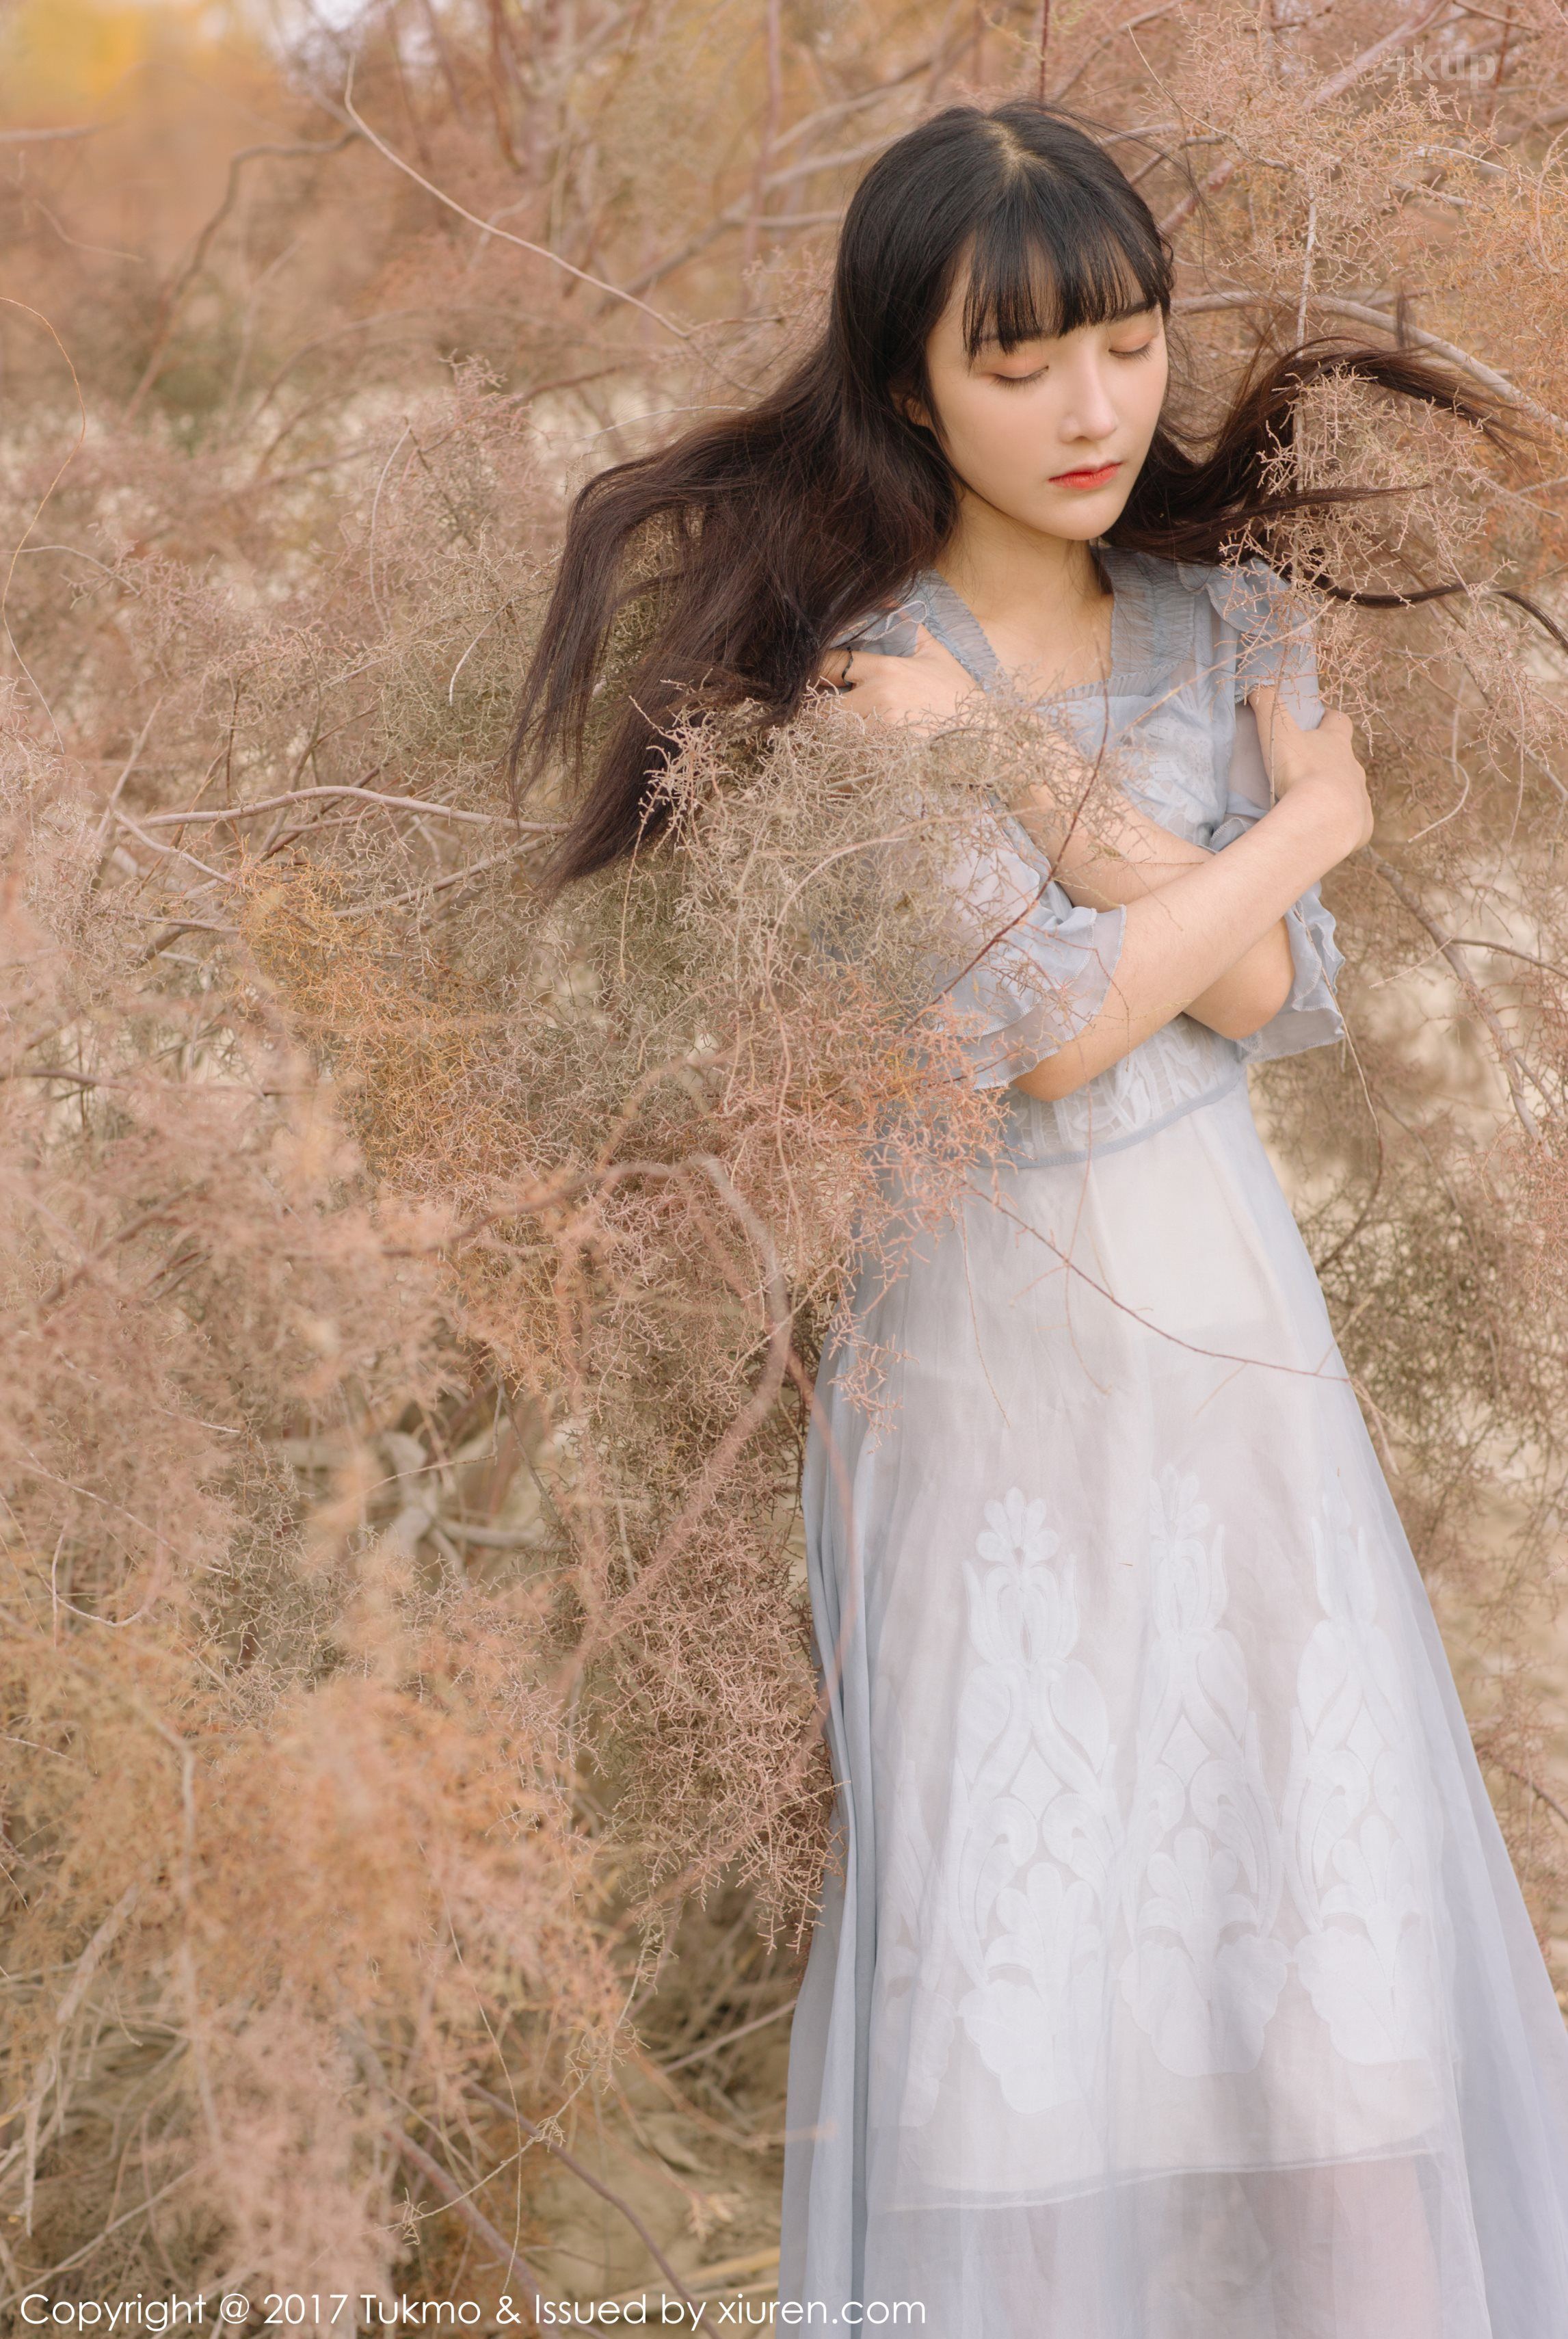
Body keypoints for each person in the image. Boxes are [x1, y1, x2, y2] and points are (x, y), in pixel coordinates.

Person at [513, 98, 1568, 2339]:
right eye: (1019, 363)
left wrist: (1071, 803)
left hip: (1240, 1392)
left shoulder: (1225, 608)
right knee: (1022, 2001)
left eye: (1126, 343)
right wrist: (1315, 822)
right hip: (988, 1394)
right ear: (911, 386)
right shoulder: (866, 676)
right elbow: (1062, 1034)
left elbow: (1260, 995)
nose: (1095, 408)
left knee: (1329, 2002)